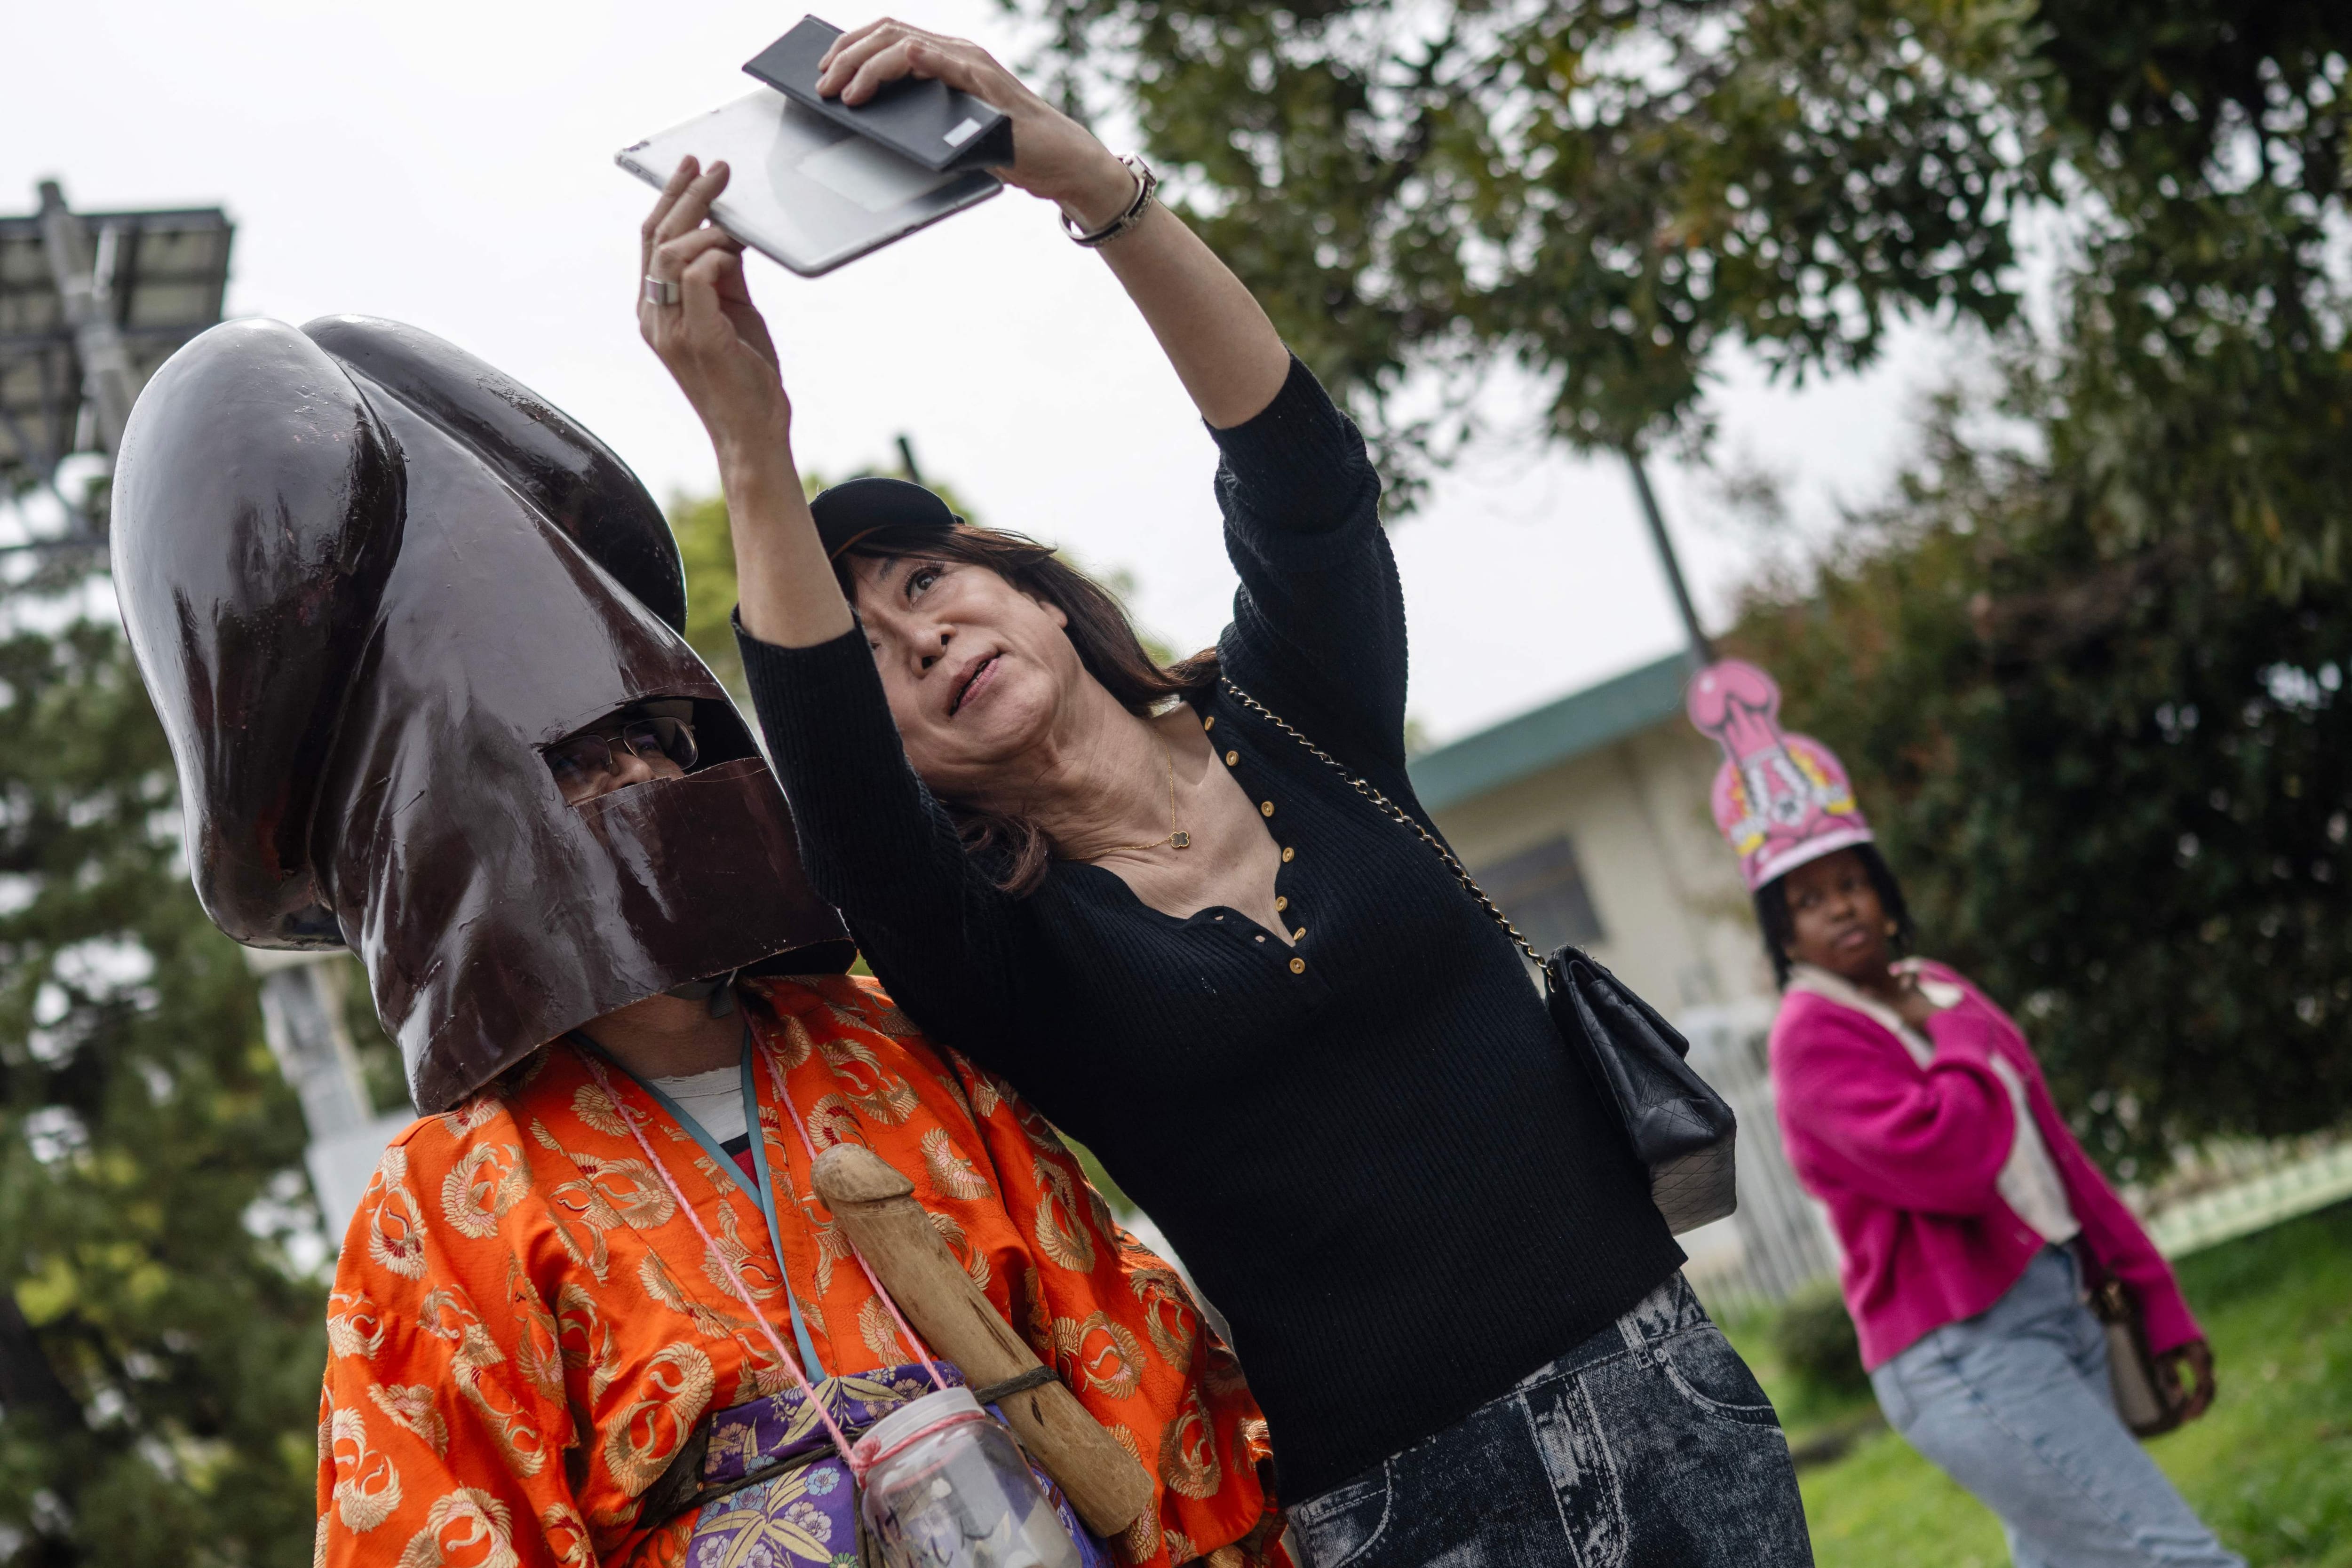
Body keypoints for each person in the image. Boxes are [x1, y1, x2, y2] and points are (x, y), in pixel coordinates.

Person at [636, 20, 1814, 1568]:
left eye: (930, 577)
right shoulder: (1003, 943)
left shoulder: (1303, 716)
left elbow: (1303, 474)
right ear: (898, 753)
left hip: (1669, 1388)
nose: (921, 633)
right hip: (1404, 1512)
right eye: (877, 658)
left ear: (1044, 597)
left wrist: (1077, 173)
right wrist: (749, 441)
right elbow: (839, 798)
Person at [109, 314, 1283, 1568]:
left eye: (660, 739)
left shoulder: (896, 1055)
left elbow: (1130, 1358)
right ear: (465, 834)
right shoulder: (449, 1207)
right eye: (585, 766)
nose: (647, 781)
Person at [1687, 657, 2241, 1568]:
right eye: (1810, 900)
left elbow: (2054, 1158)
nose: (1841, 908)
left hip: (2062, 1306)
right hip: (1962, 1349)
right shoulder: (1811, 1037)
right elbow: (1951, 1164)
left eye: (1852, 882)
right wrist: (1947, 1043)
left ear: (1886, 892)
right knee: (2172, 1553)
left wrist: (2157, 1298)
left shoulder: (1943, 992)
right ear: (1782, 934)